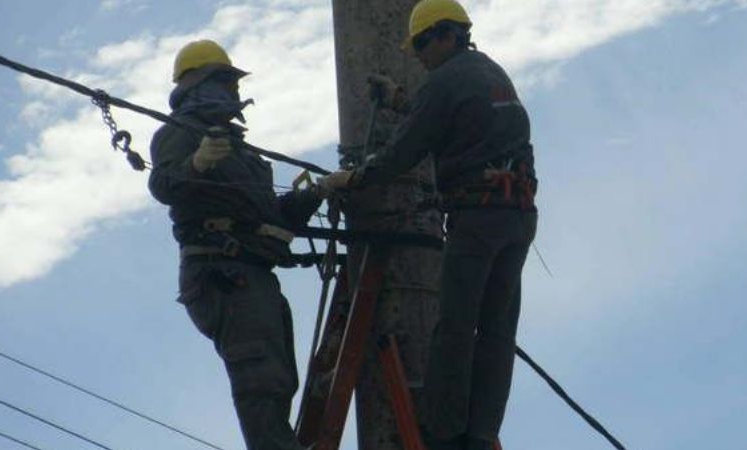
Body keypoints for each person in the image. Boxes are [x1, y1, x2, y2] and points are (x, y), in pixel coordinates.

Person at [317, 1, 538, 449]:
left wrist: (356, 178)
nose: (418, 55)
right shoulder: (492, 73)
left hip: (476, 219)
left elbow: (405, 151)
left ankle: (445, 429)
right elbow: (452, 118)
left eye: (421, 43)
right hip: (518, 216)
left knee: (455, 326)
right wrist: (404, 102)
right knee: (496, 331)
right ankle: (482, 433)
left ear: (446, 35)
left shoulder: (444, 82)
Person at [148, 39, 320, 450]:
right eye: (224, 81)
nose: (234, 91)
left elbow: (270, 219)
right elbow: (163, 184)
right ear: (196, 83)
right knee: (261, 378)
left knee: (280, 378)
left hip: (250, 271)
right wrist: (197, 163)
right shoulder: (181, 132)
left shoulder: (239, 151)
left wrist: (317, 193)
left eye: (233, 82)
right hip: (221, 271)